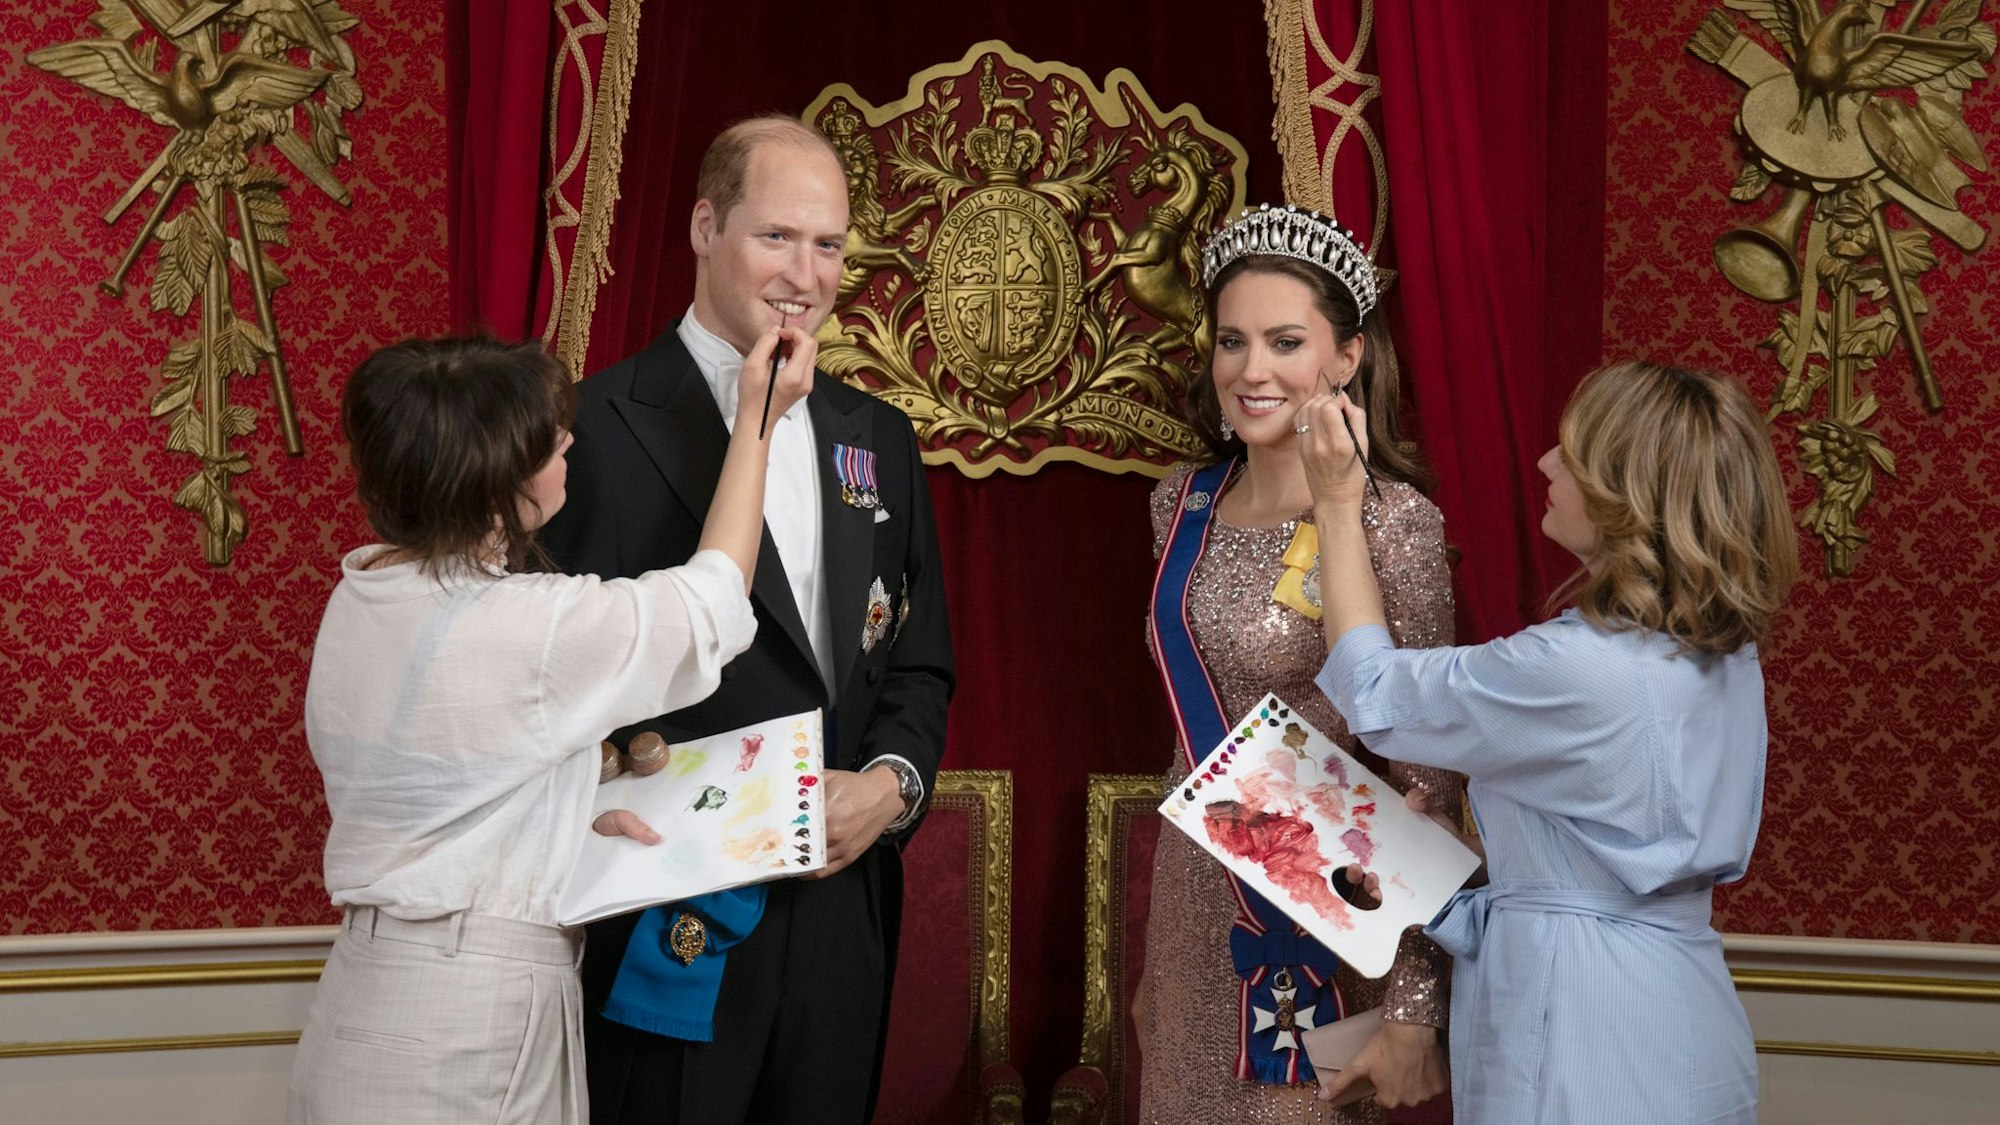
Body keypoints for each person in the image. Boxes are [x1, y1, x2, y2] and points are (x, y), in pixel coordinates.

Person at [539, 116, 954, 1125]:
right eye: (776, 237)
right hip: (666, 912)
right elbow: (543, 675)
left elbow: (918, 663)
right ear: (701, 227)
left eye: (829, 245)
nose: (805, 275)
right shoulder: (588, 430)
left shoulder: (878, 436)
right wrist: (605, 757)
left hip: (839, 910)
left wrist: (891, 789)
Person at [289, 330, 815, 1125]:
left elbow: (451, 770)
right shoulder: (524, 627)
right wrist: (756, 423)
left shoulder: (359, 595)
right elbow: (712, 600)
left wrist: (567, 793)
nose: (568, 439)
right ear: (494, 480)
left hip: (365, 988)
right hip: (471, 1018)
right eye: (544, 439)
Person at [1302, 360, 1799, 1122]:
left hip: (1584, 1022)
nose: (1544, 463)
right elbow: (1620, 836)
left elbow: (1373, 692)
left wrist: (1337, 504)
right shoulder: (1721, 653)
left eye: (1573, 452)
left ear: (1626, 491)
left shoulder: (1577, 666)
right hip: (1682, 1006)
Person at [1136, 204, 1465, 1124]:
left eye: (1286, 341)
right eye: (1232, 341)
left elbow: (1428, 780)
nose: (1252, 370)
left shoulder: (1394, 523)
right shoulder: (1178, 507)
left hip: (1324, 922)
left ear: (1348, 358)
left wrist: (1413, 1002)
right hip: (1194, 905)